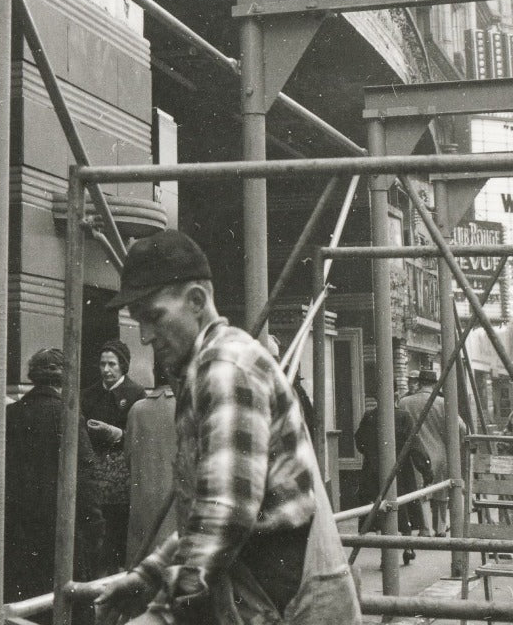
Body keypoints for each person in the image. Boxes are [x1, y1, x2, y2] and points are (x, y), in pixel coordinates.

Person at [94, 231, 362, 624]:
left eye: (154, 317)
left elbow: (226, 512)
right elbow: (207, 513)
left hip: (286, 598)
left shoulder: (224, 369)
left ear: (197, 301)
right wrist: (146, 578)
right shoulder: (207, 368)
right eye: (139, 323)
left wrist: (160, 613)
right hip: (270, 589)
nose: (147, 336)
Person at [5, 348, 104, 604]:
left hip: (20, 534)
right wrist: (94, 525)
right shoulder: (67, 415)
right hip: (61, 532)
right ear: (65, 379)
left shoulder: (12, 414)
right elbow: (86, 475)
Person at [82, 338, 146, 573]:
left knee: (117, 525)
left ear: (123, 366)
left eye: (112, 364)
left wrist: (116, 433)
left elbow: (139, 435)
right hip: (94, 469)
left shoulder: (136, 393)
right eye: (102, 364)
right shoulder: (88, 395)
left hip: (121, 474)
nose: (106, 370)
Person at [354, 400, 433, 564]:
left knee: (379, 510)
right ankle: (407, 546)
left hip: (373, 471)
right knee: (403, 509)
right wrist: (426, 470)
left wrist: (372, 453)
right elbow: (415, 445)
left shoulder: (369, 416)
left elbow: (359, 441)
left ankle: (386, 554)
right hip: (401, 471)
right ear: (395, 395)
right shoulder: (403, 416)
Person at [399, 368, 465, 537]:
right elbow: (461, 427)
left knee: (420, 492)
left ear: (419, 383)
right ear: (435, 384)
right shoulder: (443, 403)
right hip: (441, 453)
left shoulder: (405, 402)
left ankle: (424, 528)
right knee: (441, 492)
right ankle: (441, 528)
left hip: (416, 454)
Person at [124, 359, 177, 565]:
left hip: (144, 504)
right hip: (178, 506)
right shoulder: (187, 406)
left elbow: (129, 456)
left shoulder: (137, 410)